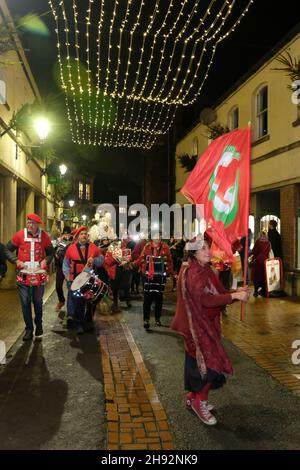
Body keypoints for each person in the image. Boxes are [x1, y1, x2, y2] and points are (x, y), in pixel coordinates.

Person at [171, 235, 250, 426]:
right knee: (210, 367)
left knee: (197, 368)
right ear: (194, 253)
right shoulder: (193, 272)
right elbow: (205, 300)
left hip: (204, 326)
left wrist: (236, 293)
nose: (208, 251)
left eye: (208, 248)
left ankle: (192, 397)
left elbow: (219, 292)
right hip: (197, 330)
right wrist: (235, 297)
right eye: (203, 249)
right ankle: (200, 403)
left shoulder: (203, 269)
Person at [7, 213, 54, 341]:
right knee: (25, 302)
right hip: (23, 275)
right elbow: (6, 249)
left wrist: (46, 261)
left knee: (38, 302)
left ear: (37, 225)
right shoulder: (19, 235)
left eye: (33, 223)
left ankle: (38, 325)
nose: (30, 225)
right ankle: (28, 329)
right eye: (28, 222)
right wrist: (15, 260)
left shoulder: (44, 236)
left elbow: (51, 253)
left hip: (38, 276)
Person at [63, 226, 104, 334]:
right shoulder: (71, 248)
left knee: (91, 302)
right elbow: (66, 263)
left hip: (90, 279)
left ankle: (88, 320)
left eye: (85, 234)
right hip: (74, 279)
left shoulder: (93, 247)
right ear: (77, 236)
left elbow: (101, 261)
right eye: (81, 234)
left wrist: (94, 260)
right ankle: (79, 324)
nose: (84, 236)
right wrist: (67, 276)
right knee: (78, 302)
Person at [136, 232, 173, 330]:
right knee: (147, 298)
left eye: (159, 237)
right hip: (148, 277)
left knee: (159, 298)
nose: (157, 239)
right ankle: (146, 319)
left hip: (160, 277)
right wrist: (133, 264)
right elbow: (141, 258)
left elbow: (169, 261)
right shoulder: (147, 247)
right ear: (152, 238)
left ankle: (157, 318)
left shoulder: (165, 247)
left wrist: (170, 272)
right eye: (155, 237)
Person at [54, 226, 72, 312]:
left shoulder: (73, 241)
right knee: (58, 286)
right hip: (60, 266)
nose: (66, 235)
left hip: (70, 267)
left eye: (68, 234)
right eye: (65, 233)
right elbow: (53, 250)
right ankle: (61, 301)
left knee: (71, 287)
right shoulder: (59, 241)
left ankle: (71, 306)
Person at [250, 230, 271, 297]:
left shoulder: (258, 241)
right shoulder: (268, 242)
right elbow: (269, 251)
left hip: (258, 263)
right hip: (265, 263)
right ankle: (264, 291)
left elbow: (254, 251)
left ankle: (256, 292)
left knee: (257, 277)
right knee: (264, 277)